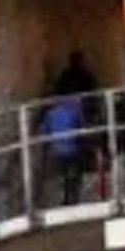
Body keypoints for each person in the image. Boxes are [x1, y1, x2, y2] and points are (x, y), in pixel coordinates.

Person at [35, 49, 104, 209]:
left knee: (67, 168)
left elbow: (44, 130)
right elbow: (92, 95)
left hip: (58, 148)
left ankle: (68, 196)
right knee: (77, 162)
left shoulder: (53, 111)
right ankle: (75, 193)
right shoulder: (84, 80)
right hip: (72, 145)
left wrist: (47, 144)